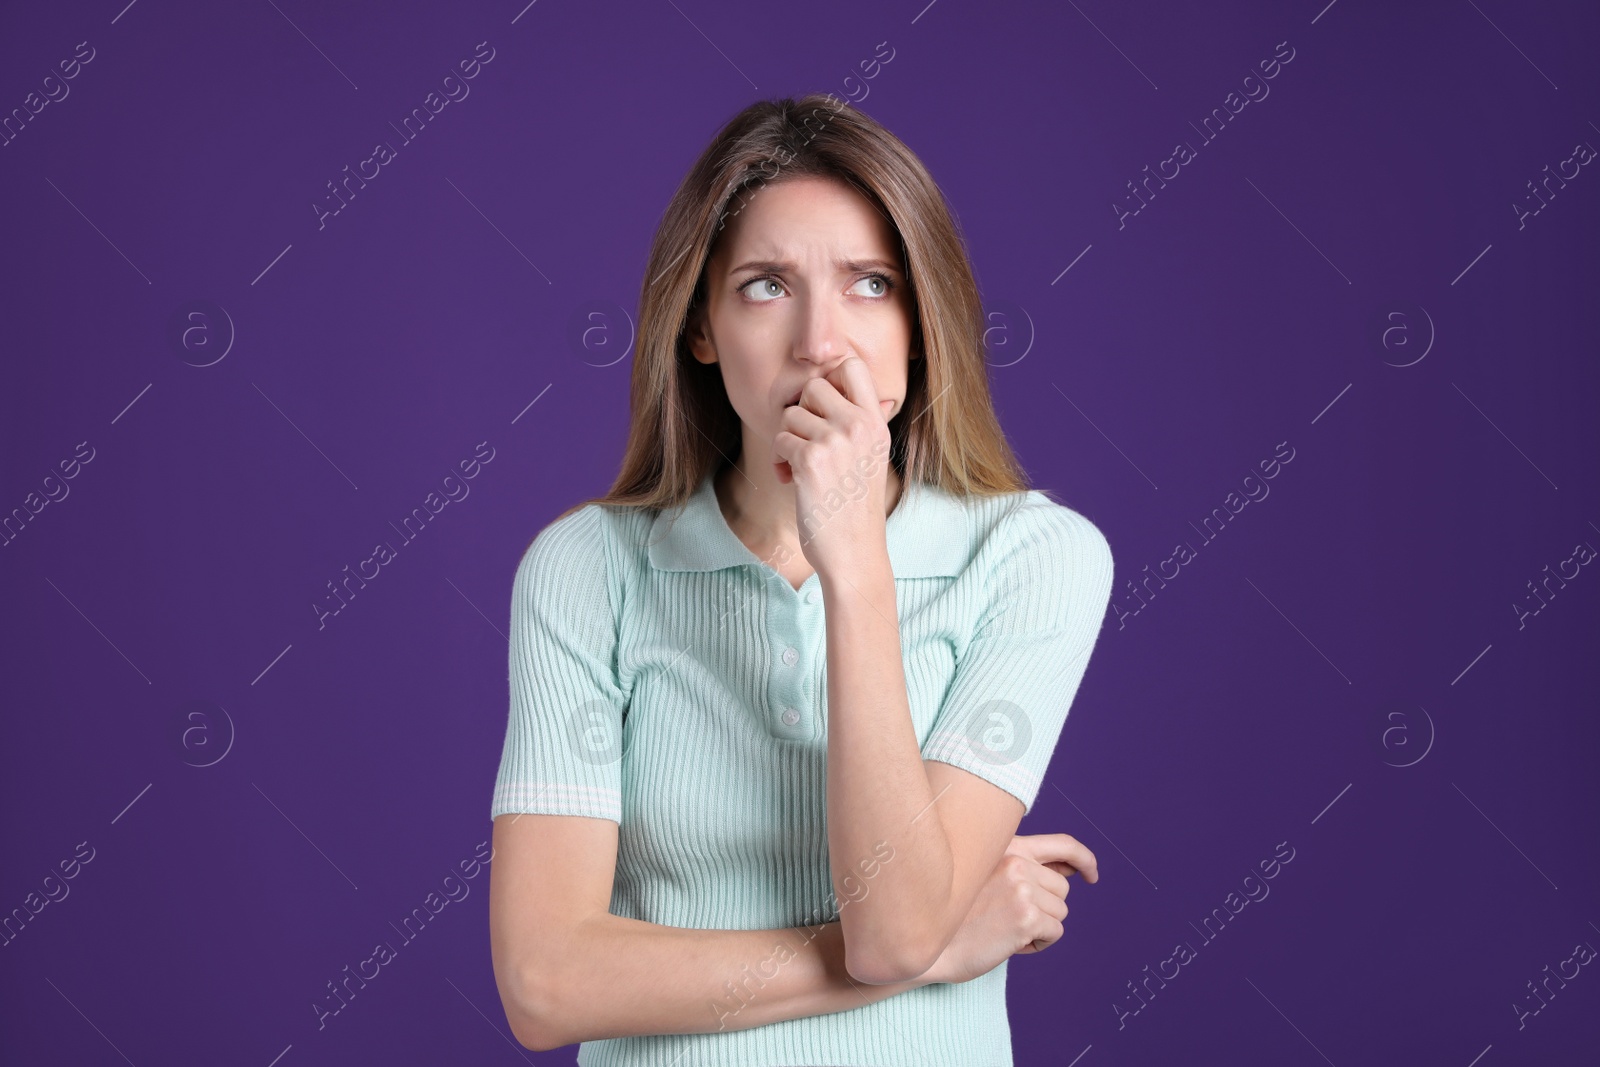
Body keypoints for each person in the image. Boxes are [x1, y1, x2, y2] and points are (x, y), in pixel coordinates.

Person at [487, 93, 1117, 1066]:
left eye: (870, 283)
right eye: (765, 285)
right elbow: (544, 983)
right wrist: (934, 950)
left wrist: (854, 566)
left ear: (920, 321)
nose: (822, 341)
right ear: (701, 326)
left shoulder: (1035, 558)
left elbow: (891, 921)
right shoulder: (587, 567)